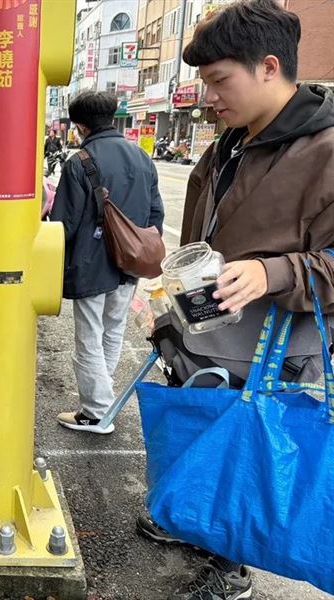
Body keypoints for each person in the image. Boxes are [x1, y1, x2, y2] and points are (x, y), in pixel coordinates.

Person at [133, 2, 334, 598]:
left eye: (220, 80)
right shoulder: (232, 143)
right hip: (206, 331)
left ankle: (231, 571)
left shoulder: (325, 150)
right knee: (202, 434)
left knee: (246, 451)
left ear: (269, 67)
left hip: (269, 347)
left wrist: (273, 272)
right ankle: (197, 525)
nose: (209, 95)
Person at [50, 91, 164, 434]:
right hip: (130, 262)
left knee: (88, 338)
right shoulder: (142, 157)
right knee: (113, 331)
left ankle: (97, 412)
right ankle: (102, 398)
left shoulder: (80, 161)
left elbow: (63, 226)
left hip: (91, 263)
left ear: (80, 125)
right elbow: (156, 215)